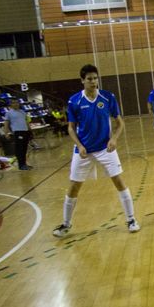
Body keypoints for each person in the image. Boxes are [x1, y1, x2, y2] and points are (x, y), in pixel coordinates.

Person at [52, 64, 140, 237]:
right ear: (82, 81)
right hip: (83, 150)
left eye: (95, 78)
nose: (93, 82)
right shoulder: (74, 101)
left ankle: (131, 219)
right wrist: (79, 145)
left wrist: (114, 138)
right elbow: (71, 128)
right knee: (74, 186)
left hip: (105, 149)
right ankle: (65, 224)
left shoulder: (108, 97)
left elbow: (120, 122)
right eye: (89, 79)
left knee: (119, 182)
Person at [3, 98, 32, 170]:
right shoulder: (9, 113)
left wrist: (30, 130)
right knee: (20, 149)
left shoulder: (22, 112)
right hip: (17, 132)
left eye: (17, 102)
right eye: (13, 103)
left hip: (25, 131)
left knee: (25, 148)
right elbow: (6, 124)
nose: (15, 104)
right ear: (11, 104)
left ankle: (24, 163)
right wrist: (6, 133)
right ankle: (21, 165)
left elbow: (26, 122)